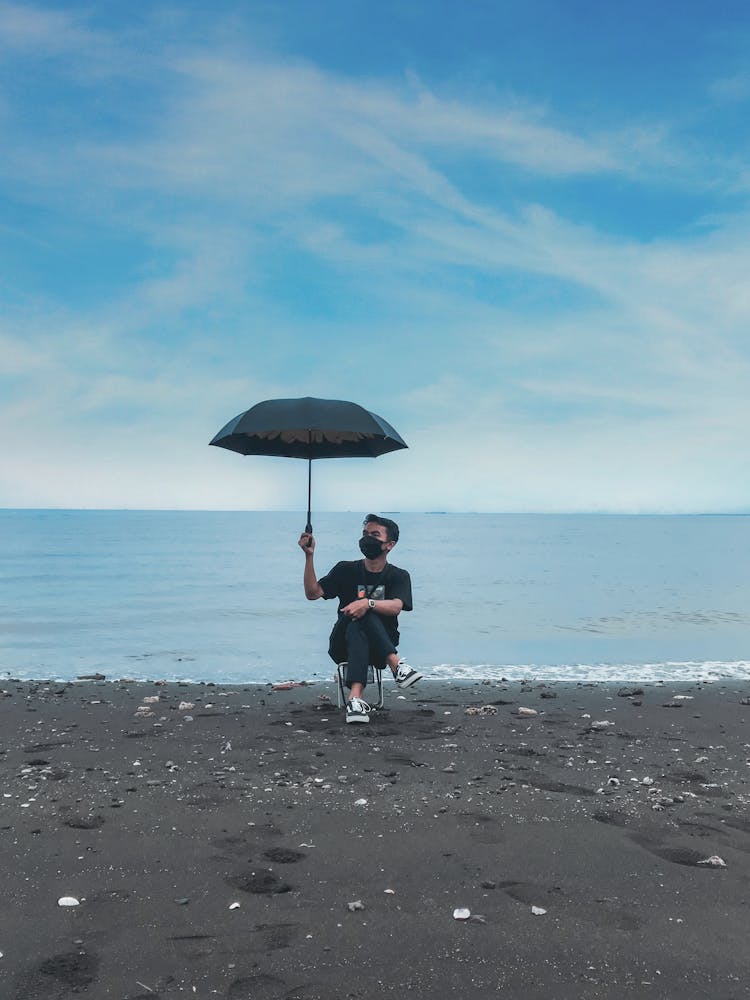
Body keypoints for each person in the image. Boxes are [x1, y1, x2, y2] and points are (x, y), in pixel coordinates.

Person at [299, 513, 422, 724]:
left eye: (375, 535)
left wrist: (367, 603)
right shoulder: (345, 569)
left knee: (363, 614)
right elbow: (313, 593)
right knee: (356, 616)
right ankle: (397, 665)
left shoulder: (399, 576)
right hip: (342, 645)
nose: (368, 539)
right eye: (365, 534)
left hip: (379, 649)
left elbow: (396, 607)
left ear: (389, 545)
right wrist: (309, 556)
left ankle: (355, 700)